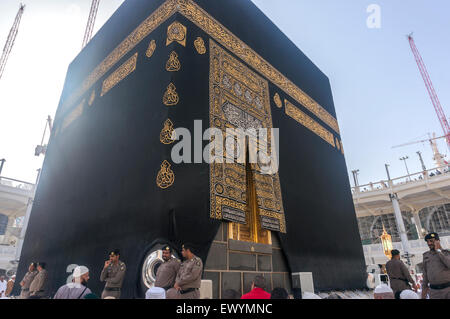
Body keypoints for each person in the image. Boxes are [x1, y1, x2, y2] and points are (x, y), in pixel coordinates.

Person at [421, 232, 450, 299]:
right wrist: (423, 295)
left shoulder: (446, 253)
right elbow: (425, 276)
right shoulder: (426, 256)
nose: (429, 243)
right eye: (427, 241)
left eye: (431, 241)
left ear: (438, 241)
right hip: (434, 292)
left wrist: (438, 251)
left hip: (448, 290)